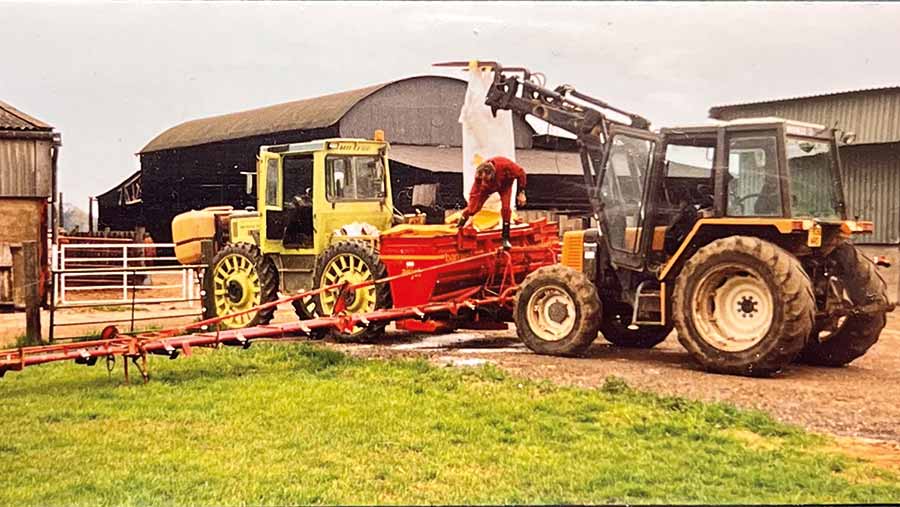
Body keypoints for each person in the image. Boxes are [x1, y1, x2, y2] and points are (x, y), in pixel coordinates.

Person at [457, 156, 527, 249]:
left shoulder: (506, 165)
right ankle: (460, 224)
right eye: (481, 180)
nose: (483, 182)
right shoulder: (480, 176)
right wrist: (471, 209)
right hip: (487, 189)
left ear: (492, 174)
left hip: (505, 186)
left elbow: (521, 173)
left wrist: (521, 192)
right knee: (474, 208)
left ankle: (505, 238)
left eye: (486, 179)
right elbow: (475, 193)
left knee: (506, 209)